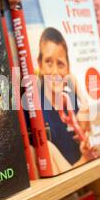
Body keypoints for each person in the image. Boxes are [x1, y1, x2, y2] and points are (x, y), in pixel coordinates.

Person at [38, 27, 93, 169]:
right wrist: (85, 159)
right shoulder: (35, 109)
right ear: (40, 65)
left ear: (68, 68)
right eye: (49, 62)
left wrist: (85, 103)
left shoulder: (73, 101)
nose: (55, 72)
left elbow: (89, 140)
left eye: (61, 64)